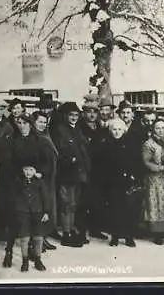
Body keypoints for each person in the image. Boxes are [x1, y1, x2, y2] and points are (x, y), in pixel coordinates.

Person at [3, 113, 52, 267]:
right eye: (19, 123)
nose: (22, 126)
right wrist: (18, 176)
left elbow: (47, 162)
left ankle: (34, 253)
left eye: (25, 123)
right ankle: (9, 252)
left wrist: (39, 172)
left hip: (34, 185)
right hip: (17, 185)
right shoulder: (12, 141)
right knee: (13, 220)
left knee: (34, 220)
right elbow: (7, 162)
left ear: (30, 124)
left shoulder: (39, 141)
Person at [52, 102, 91, 247]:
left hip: (78, 173)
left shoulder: (77, 129)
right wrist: (70, 159)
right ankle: (66, 233)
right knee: (66, 204)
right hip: (66, 173)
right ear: (65, 116)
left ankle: (71, 230)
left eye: (76, 115)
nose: (74, 117)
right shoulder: (60, 130)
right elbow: (59, 152)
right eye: (71, 115)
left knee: (73, 204)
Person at [102, 118, 143, 247]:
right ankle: (115, 236)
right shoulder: (106, 144)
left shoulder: (130, 143)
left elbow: (136, 161)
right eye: (114, 129)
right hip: (113, 182)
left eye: (119, 129)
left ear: (124, 131)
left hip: (127, 181)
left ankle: (129, 237)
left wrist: (133, 176)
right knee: (114, 209)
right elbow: (103, 164)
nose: (117, 132)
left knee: (129, 209)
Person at [79, 95, 109, 241]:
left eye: (94, 112)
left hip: (99, 170)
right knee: (83, 201)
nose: (92, 114)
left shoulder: (101, 128)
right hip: (84, 169)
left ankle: (95, 229)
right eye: (89, 111)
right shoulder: (79, 128)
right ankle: (81, 231)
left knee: (98, 200)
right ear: (84, 112)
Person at [12, 158, 50, 272]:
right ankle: (25, 261)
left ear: (35, 171)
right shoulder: (18, 181)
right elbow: (14, 197)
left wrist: (46, 212)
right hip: (23, 212)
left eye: (31, 169)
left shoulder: (39, 182)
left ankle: (38, 260)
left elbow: (45, 198)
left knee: (38, 237)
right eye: (26, 169)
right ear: (22, 170)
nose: (28, 172)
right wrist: (17, 210)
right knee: (24, 238)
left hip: (37, 212)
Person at [32, 111, 59, 250]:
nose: (42, 124)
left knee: (47, 207)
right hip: (40, 177)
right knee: (39, 209)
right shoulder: (34, 137)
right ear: (34, 122)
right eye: (40, 122)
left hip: (49, 177)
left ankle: (43, 238)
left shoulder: (45, 135)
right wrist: (40, 172)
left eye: (44, 122)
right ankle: (37, 241)